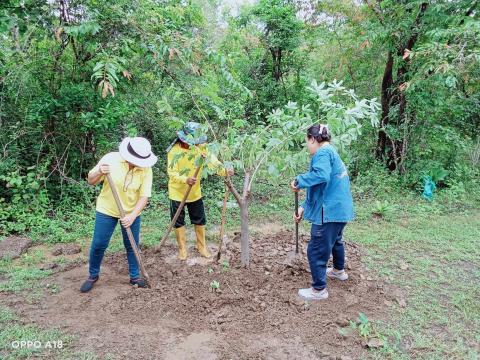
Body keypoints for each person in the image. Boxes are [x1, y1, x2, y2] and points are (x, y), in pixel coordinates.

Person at [80, 137, 157, 293]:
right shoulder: (111, 159)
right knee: (99, 244)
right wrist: (99, 171)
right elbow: (91, 180)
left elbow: (144, 196)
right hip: (106, 209)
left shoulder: (146, 169)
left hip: (131, 211)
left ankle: (135, 277)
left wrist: (132, 216)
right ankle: (93, 275)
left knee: (132, 245)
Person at [290, 124, 354, 300]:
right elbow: (320, 186)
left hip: (329, 211)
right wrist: (303, 207)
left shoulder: (323, 153)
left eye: (307, 142)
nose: (307, 147)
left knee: (316, 249)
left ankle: (319, 290)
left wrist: (299, 180)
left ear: (312, 139)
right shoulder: (331, 152)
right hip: (340, 210)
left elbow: (321, 176)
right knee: (335, 241)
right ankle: (338, 271)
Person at [167, 122, 234, 260]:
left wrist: (224, 171)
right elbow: (171, 172)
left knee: (199, 219)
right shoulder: (174, 151)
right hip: (177, 192)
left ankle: (201, 247)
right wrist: (185, 179)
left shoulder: (202, 148)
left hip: (195, 191)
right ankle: (182, 250)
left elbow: (213, 162)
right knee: (178, 221)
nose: (196, 144)